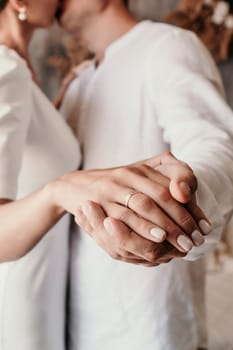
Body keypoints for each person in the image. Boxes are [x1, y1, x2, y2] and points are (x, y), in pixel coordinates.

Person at [0, 0, 210, 349]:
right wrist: (59, 190)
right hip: (19, 298)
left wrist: (58, 114)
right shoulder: (6, 68)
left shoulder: (40, 77)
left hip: (56, 302)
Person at [58, 1, 233, 349]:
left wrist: (184, 201)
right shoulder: (78, 82)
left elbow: (214, 143)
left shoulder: (166, 45)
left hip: (149, 327)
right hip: (77, 324)